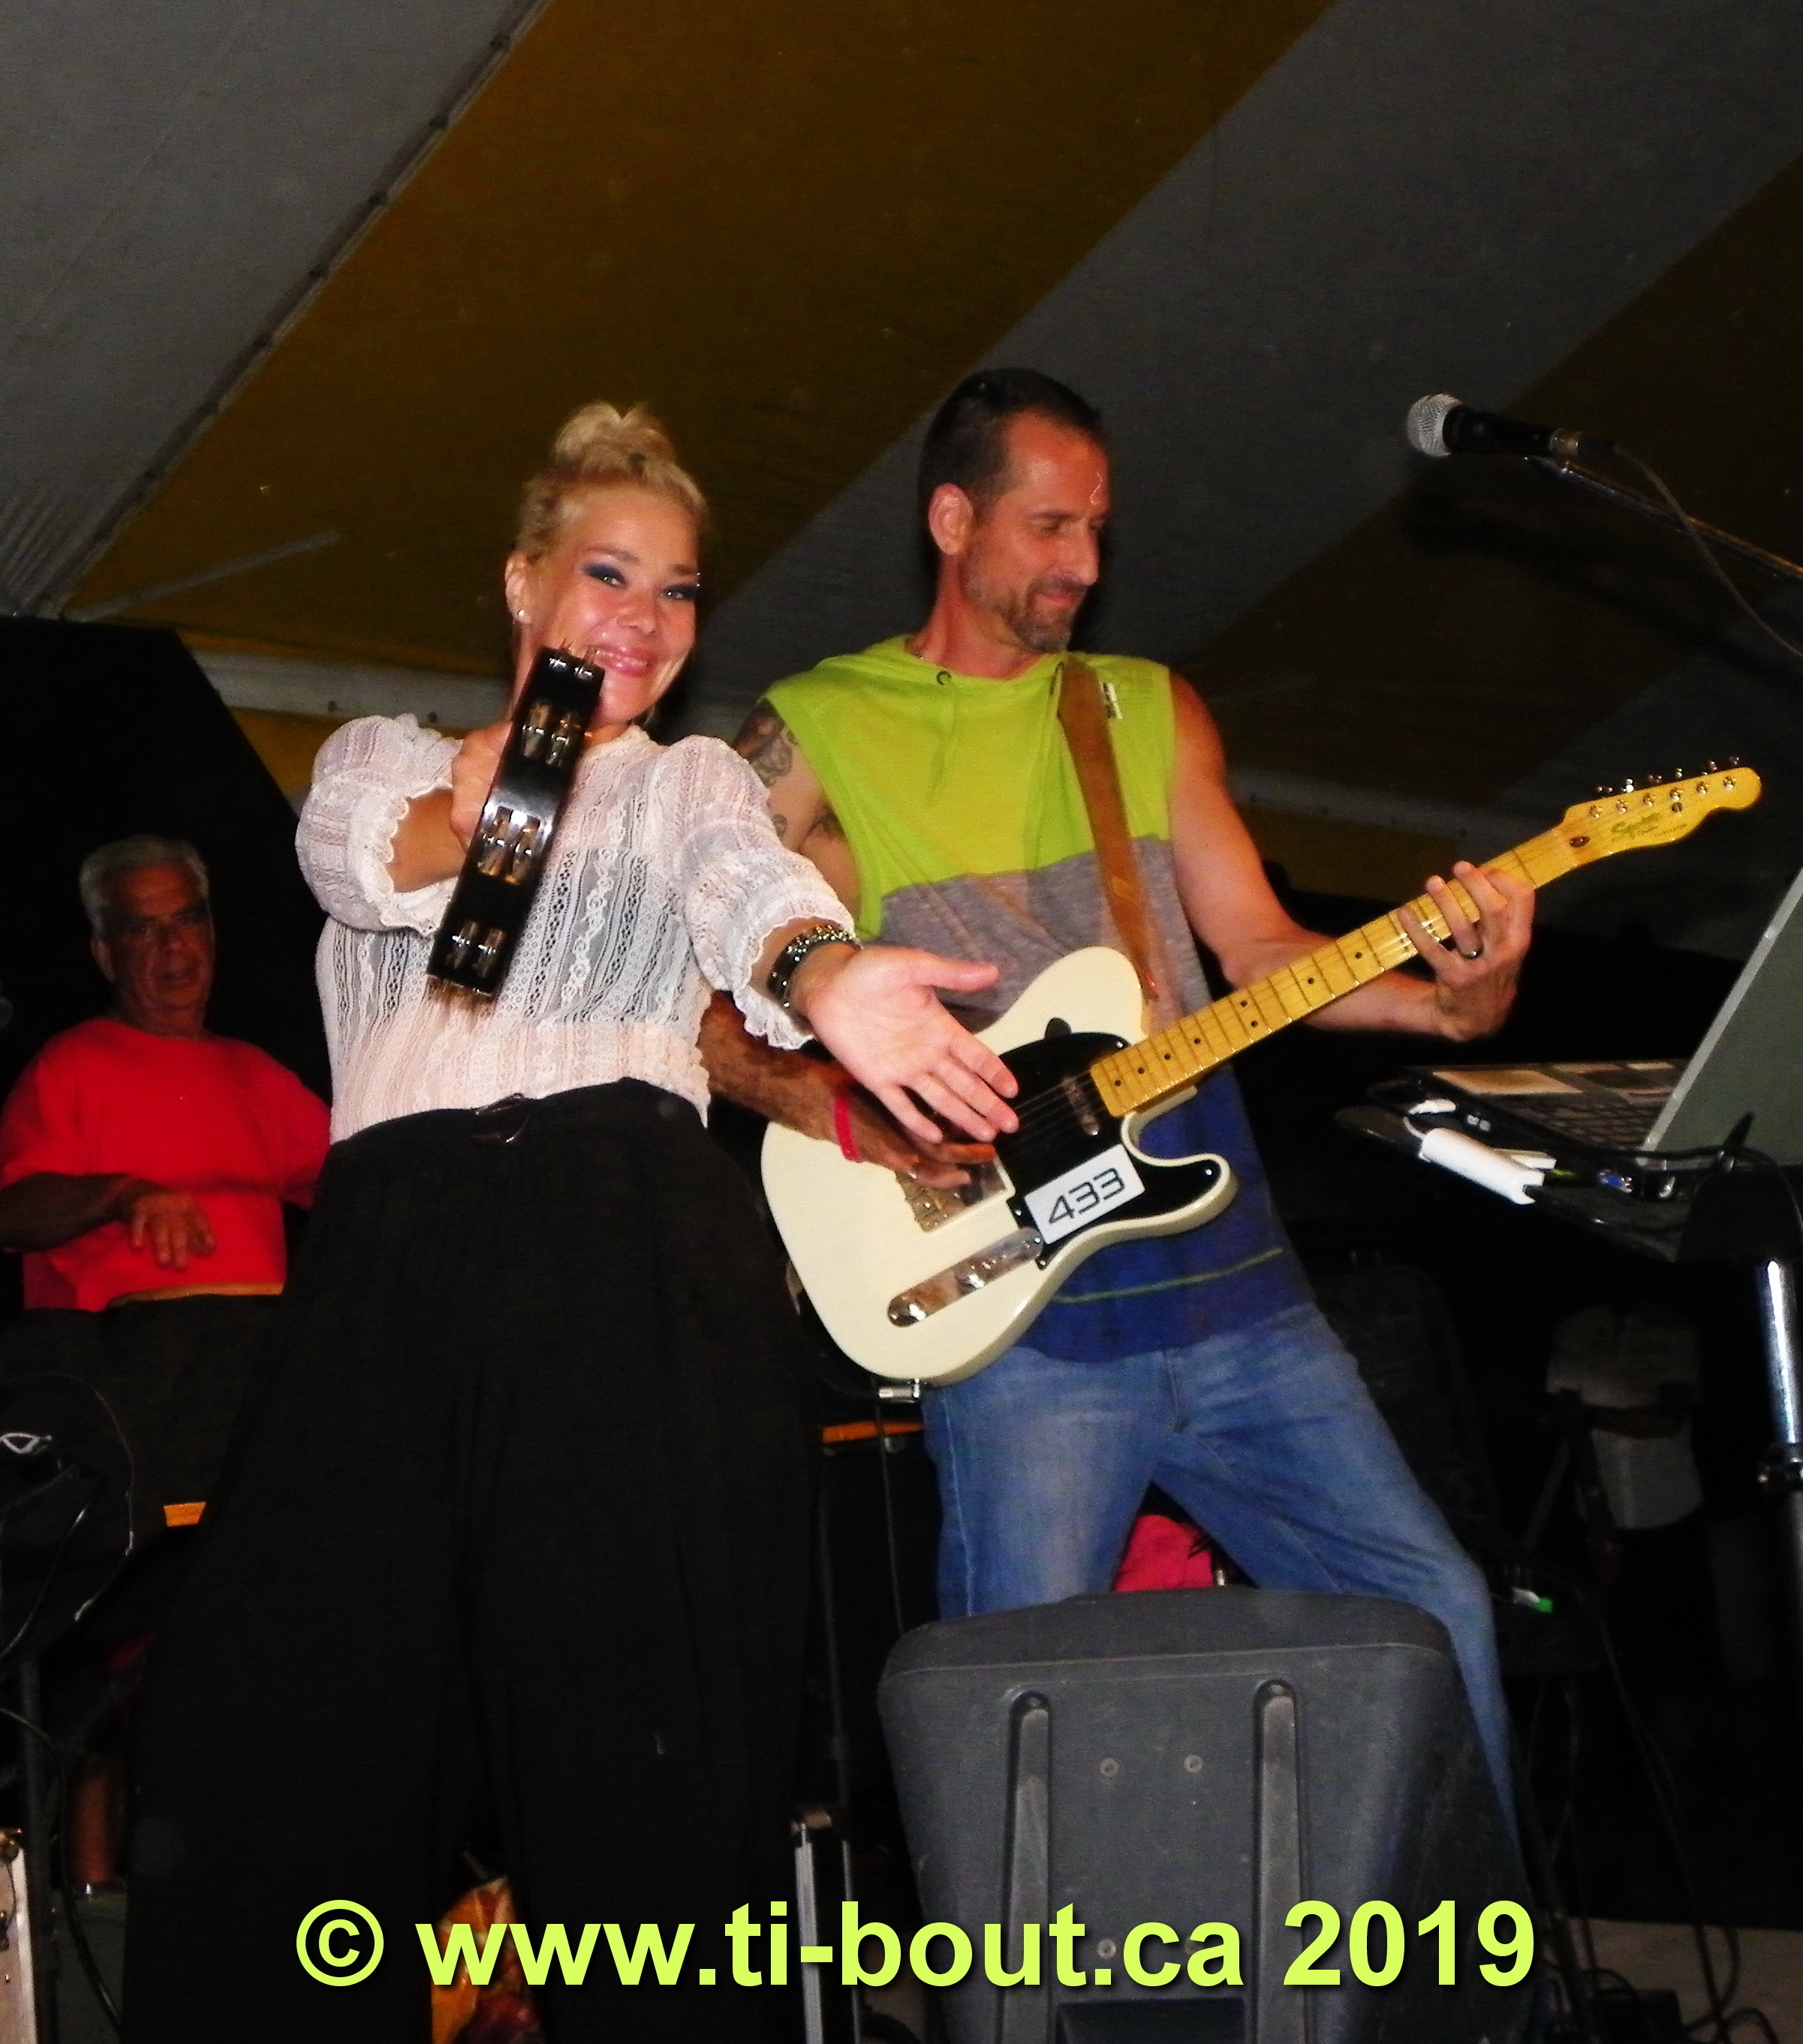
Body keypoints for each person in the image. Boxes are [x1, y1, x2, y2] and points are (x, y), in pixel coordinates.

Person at [123, 403, 1017, 2042]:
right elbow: (368, 871)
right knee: (277, 1741)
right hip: (392, 1262)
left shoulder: (686, 781)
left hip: (620, 1251)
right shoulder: (382, 754)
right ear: (520, 584)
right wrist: (501, 784)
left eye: (677, 591)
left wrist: (827, 976)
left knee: (641, 1765)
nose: (643, 617)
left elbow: (747, 884)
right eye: (607, 574)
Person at [697, 367, 1534, 1804]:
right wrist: (841, 1107)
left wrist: (1441, 1002)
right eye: (1048, 526)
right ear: (951, 521)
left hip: (1237, 1293)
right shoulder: (818, 725)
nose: (1084, 562)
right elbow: (695, 994)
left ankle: (1474, 1952)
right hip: (1021, 1327)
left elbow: (1258, 947)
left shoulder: (1144, 707)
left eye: (1096, 527)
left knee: (1434, 1620)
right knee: (1014, 1721)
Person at [0, 832, 330, 1884]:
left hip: (248, 1425)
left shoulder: (254, 1076)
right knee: (105, 1708)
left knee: (259, 1682)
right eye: (142, 930)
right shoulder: (72, 1066)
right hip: (130, 1436)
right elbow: (13, 1211)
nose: (172, 948)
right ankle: (100, 1916)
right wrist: (122, 1193)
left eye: (187, 919)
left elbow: (354, 1186)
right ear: (104, 953)